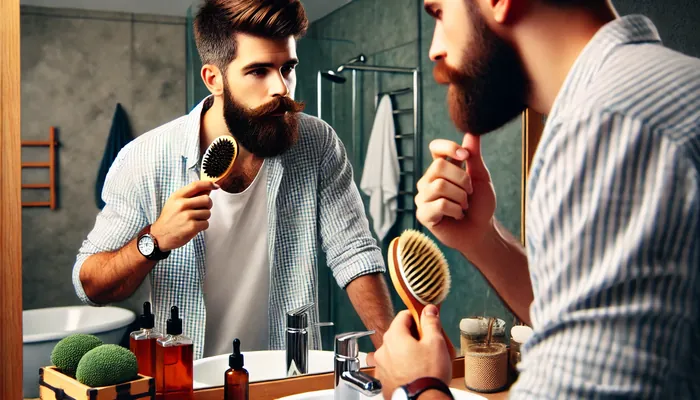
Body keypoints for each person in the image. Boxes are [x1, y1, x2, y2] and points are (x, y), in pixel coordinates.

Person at [374, 0, 700, 398]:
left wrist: (419, 387)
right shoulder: (656, 91)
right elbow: (583, 324)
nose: (434, 49)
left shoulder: (609, 127)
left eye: (440, 12)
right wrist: (482, 238)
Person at [72, 0, 395, 359]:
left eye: (287, 68)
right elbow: (90, 285)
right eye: (259, 71)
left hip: (288, 375)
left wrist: (396, 355)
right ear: (214, 79)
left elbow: (354, 253)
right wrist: (155, 240)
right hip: (186, 380)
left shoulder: (316, 142)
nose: (281, 89)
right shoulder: (145, 159)